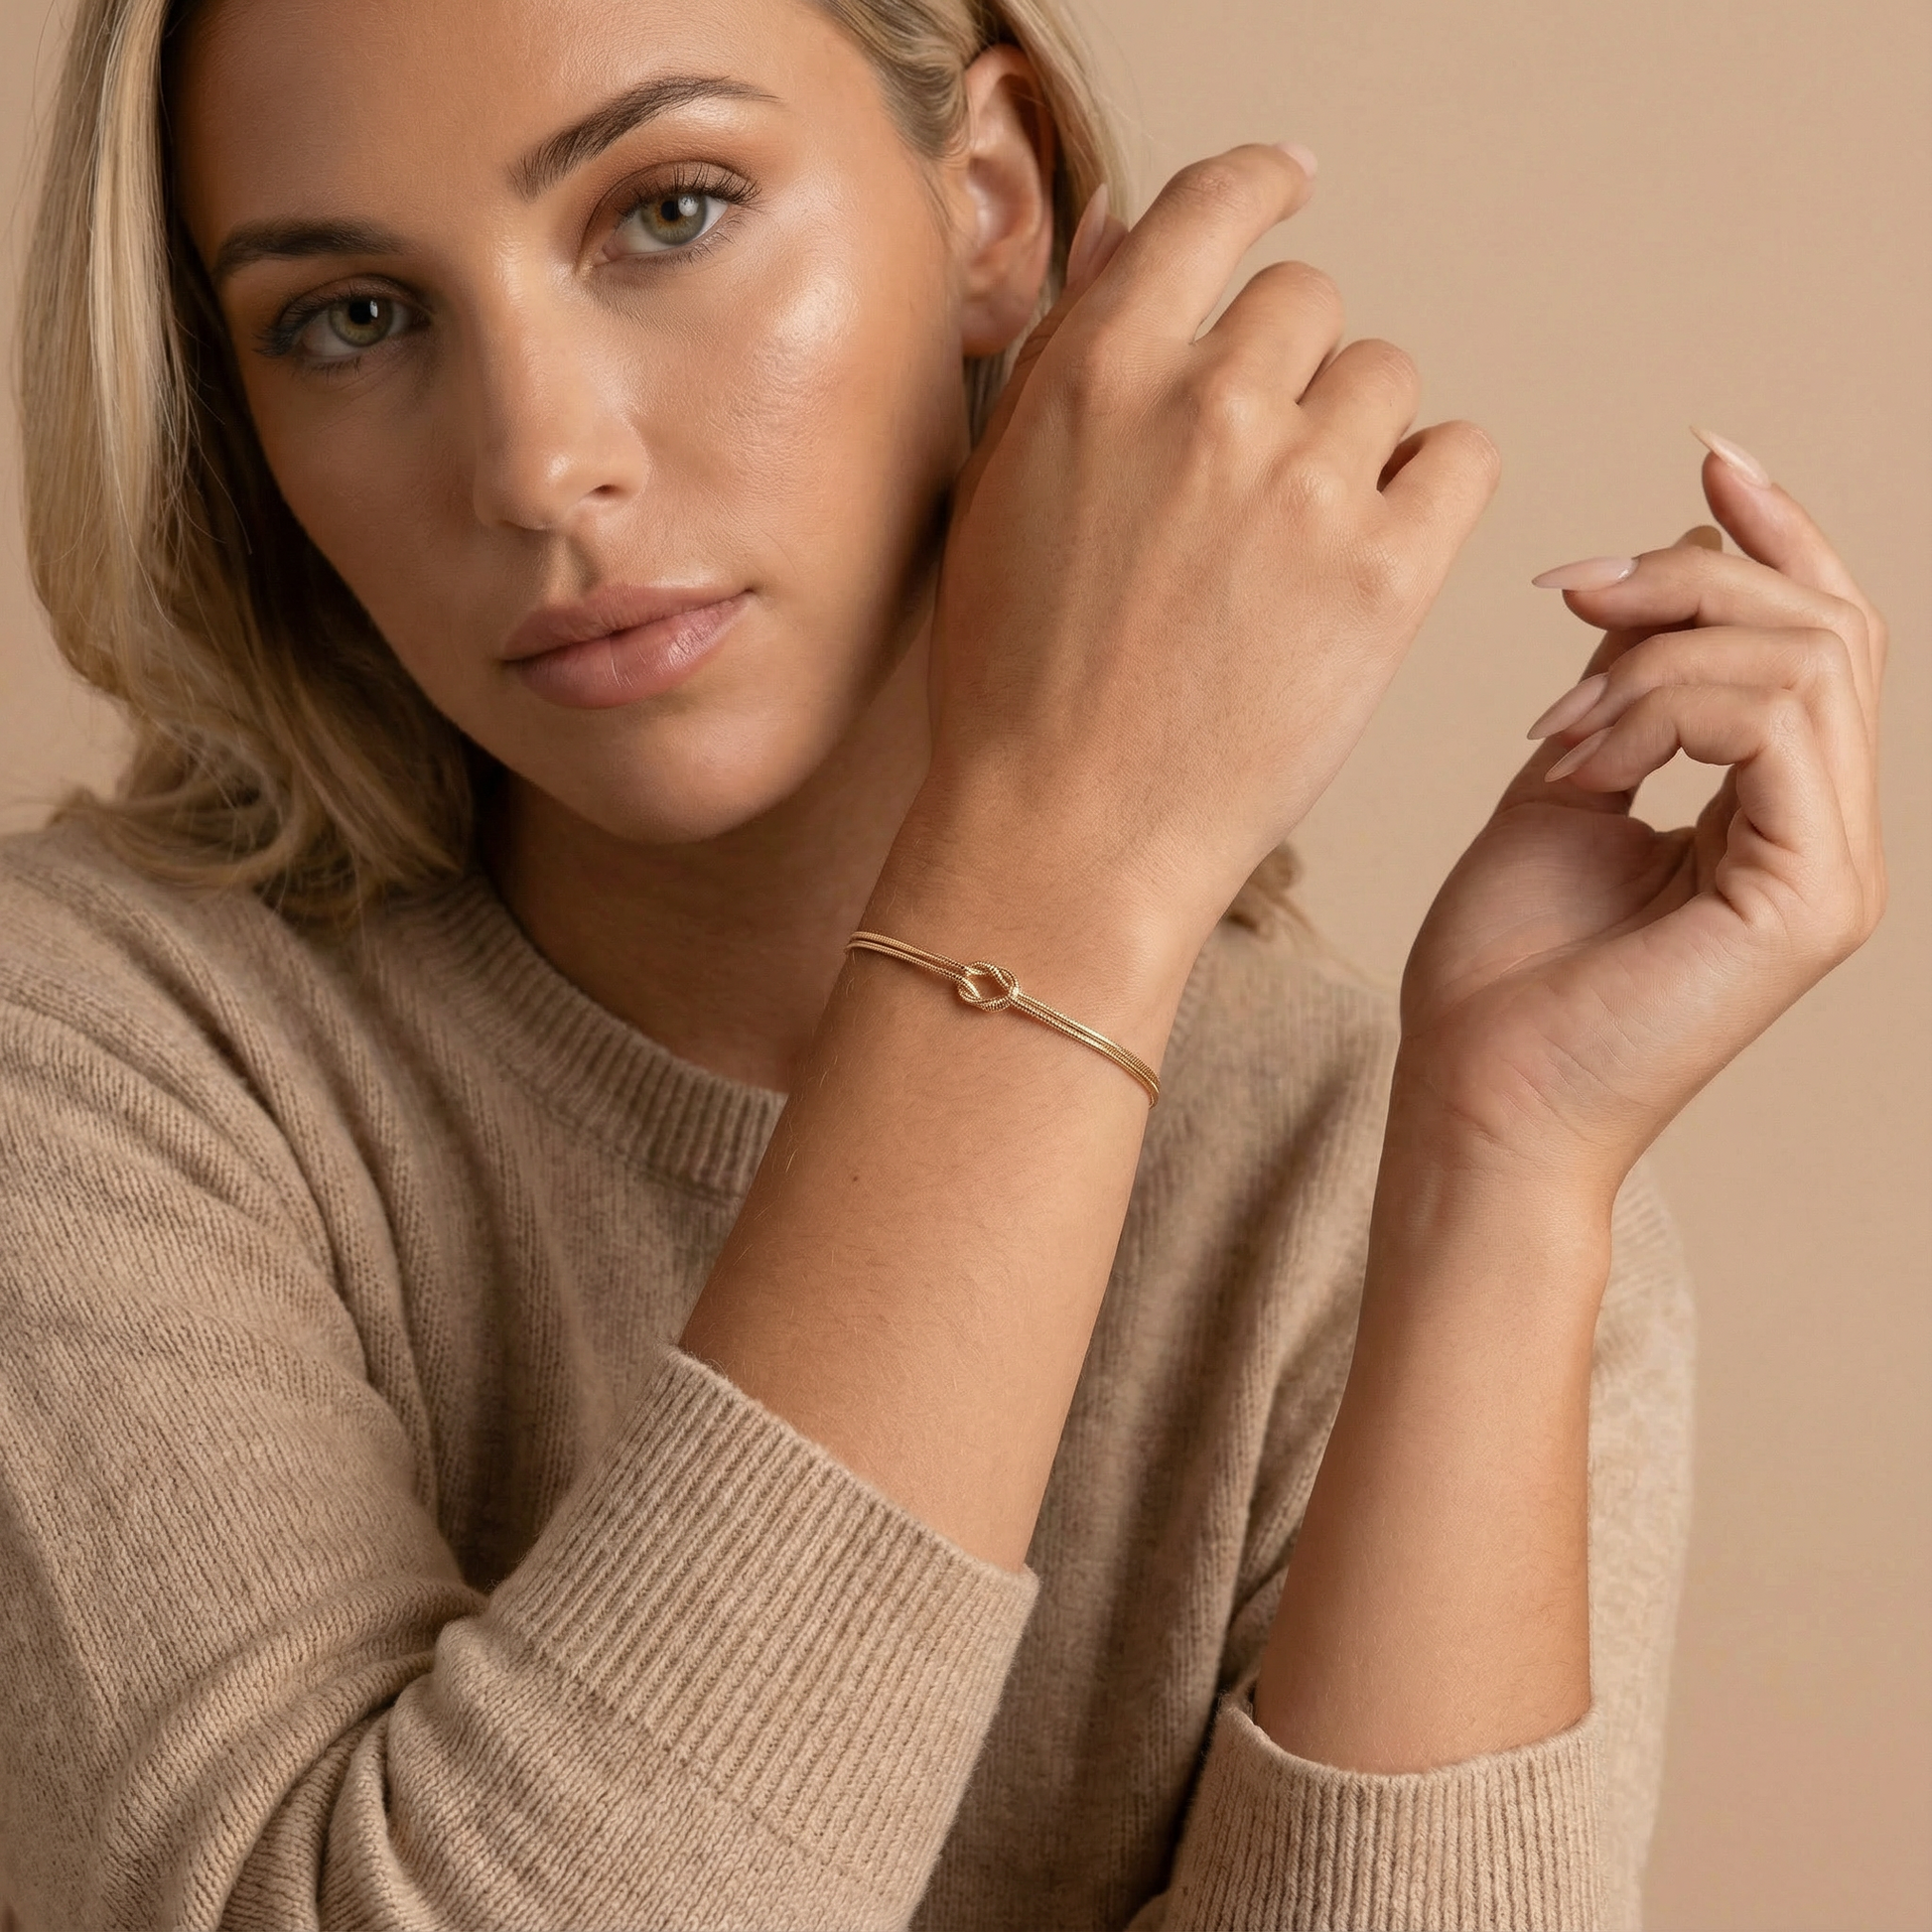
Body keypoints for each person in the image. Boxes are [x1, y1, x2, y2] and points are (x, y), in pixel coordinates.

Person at [0, 0, 1887, 1924]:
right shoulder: (87, 1055)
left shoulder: (1353, 1186)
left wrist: (1496, 1182)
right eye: (353, 318)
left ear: (989, 197)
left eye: (668, 212)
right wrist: (1064, 866)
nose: (540, 464)